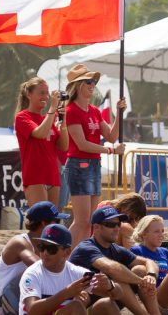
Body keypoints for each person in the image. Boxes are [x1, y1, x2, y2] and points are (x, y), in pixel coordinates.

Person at [62, 64, 127, 249]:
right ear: (78, 85)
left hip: (92, 164)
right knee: (82, 221)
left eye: (94, 82)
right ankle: (67, 254)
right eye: (89, 81)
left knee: (90, 221)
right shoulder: (71, 111)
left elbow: (111, 136)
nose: (93, 85)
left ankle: (77, 253)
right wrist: (110, 151)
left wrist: (119, 113)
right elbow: (81, 144)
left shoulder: (94, 111)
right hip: (79, 164)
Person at [68, 205, 161, 315]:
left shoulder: (115, 249)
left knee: (140, 270)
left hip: (106, 298)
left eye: (118, 224)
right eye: (111, 224)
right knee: (117, 281)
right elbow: (112, 269)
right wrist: (142, 281)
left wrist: (150, 276)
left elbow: (149, 262)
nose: (117, 228)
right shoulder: (86, 248)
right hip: (85, 306)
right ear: (97, 227)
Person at [19, 223, 121, 314]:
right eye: (42, 247)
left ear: (67, 252)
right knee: (75, 306)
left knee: (106, 304)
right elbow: (32, 310)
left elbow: (118, 294)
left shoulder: (75, 272)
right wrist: (66, 293)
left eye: (51, 249)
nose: (45, 253)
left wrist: (110, 286)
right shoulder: (32, 274)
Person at [0, 201, 70, 312]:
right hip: (3, 305)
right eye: (56, 221)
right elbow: (40, 266)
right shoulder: (19, 242)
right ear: (43, 223)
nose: (59, 225)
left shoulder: (44, 245)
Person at [14, 76, 69, 207]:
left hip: (53, 176)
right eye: (41, 93)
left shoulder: (49, 118)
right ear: (29, 94)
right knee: (40, 222)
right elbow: (40, 133)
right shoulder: (22, 117)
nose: (45, 96)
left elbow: (64, 146)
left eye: (47, 93)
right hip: (35, 177)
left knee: (51, 223)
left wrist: (63, 121)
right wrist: (52, 109)